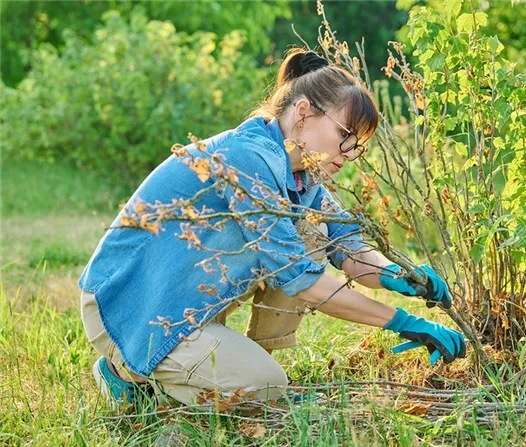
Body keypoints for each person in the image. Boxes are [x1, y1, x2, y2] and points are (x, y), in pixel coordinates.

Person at [79, 48, 466, 408]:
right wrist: (402, 322)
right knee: (266, 386)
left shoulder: (302, 175)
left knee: (312, 233)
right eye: (344, 136)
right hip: (130, 304)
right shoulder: (249, 159)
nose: (349, 154)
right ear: (302, 113)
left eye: (357, 146)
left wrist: (400, 275)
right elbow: (302, 280)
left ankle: (243, 361)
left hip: (181, 301)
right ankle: (127, 374)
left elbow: (346, 244)